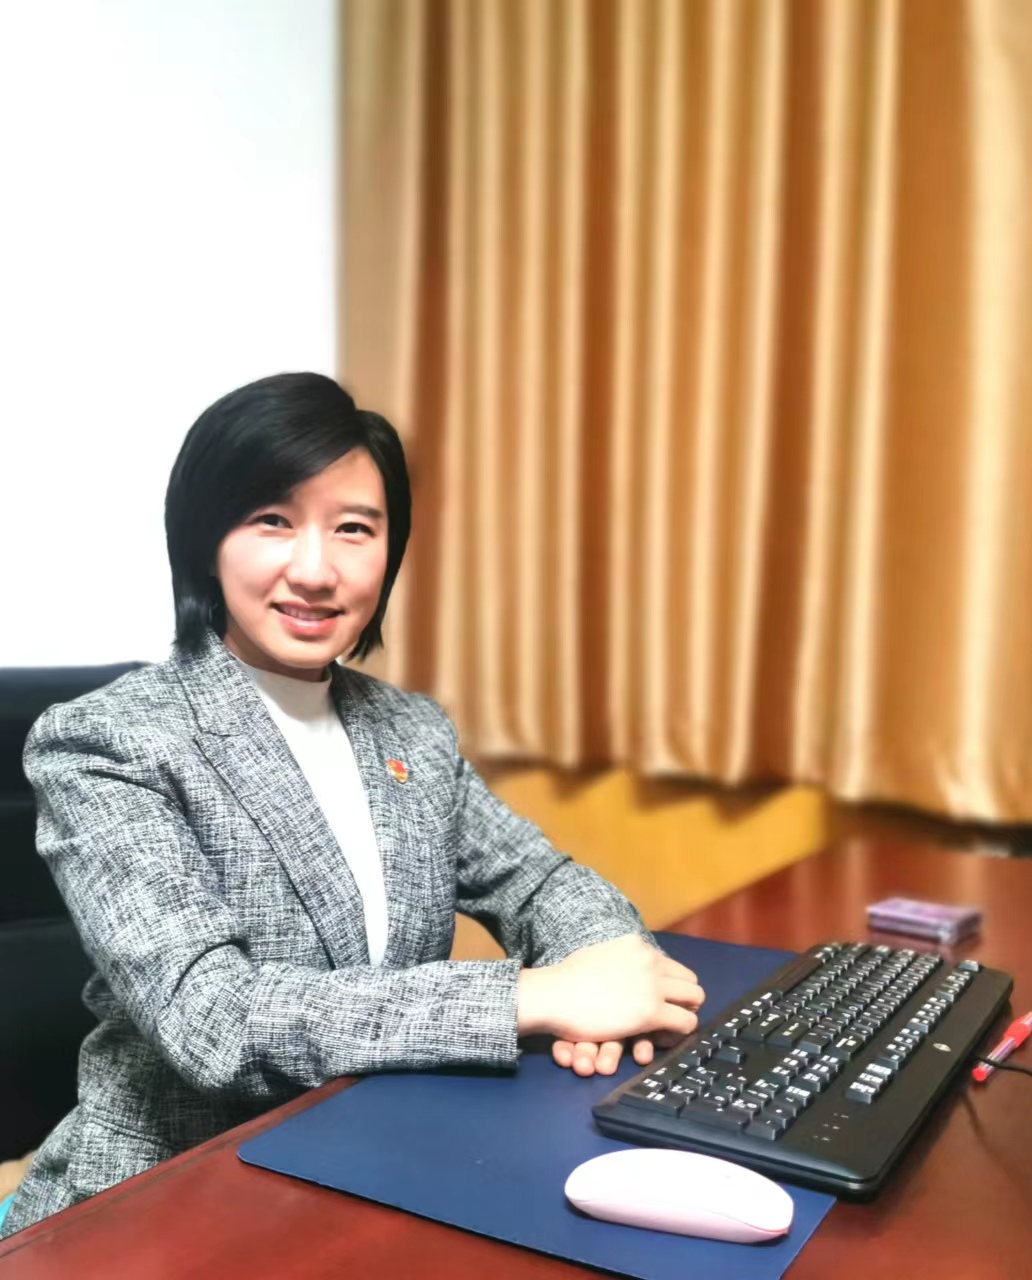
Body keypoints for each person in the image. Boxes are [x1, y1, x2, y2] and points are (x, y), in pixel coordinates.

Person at [0, 373, 704, 1238]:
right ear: (207, 541)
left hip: (376, 1159)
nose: (315, 570)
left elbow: (538, 881)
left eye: (354, 529)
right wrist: (534, 998)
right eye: (272, 520)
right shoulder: (109, 740)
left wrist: (608, 964)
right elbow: (215, 1020)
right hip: (166, 1200)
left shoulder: (410, 730)